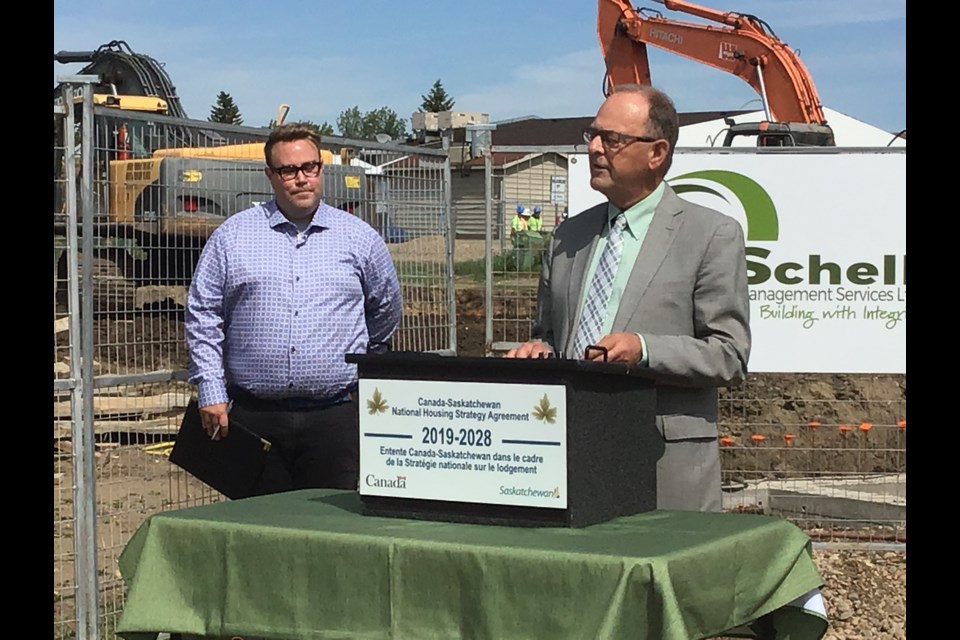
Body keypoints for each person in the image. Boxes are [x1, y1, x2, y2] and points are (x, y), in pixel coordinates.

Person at [506, 84, 750, 512]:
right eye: (592, 135)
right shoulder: (568, 237)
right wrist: (539, 351)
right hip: (566, 453)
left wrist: (644, 349)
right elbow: (548, 335)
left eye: (612, 139)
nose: (596, 149)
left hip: (662, 463)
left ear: (657, 153)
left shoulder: (710, 235)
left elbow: (728, 355)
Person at [185, 122, 403, 496]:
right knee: (256, 532)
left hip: (334, 419)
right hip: (253, 419)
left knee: (330, 535)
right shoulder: (233, 236)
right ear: (270, 175)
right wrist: (210, 389)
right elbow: (203, 314)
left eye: (310, 167)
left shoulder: (359, 238)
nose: (301, 178)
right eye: (288, 170)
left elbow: (385, 310)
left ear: (321, 169)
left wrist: (366, 360)